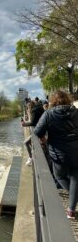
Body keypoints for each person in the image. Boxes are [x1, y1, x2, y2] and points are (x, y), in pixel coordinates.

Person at [34, 90, 78, 219]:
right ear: (67, 99)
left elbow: (37, 132)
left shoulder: (48, 114)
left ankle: (73, 196)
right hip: (76, 151)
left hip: (58, 153)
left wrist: (46, 143)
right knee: (75, 176)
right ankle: (71, 210)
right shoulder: (76, 112)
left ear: (52, 101)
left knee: (59, 176)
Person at [22, 100, 44, 165]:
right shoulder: (39, 109)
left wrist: (24, 124)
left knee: (26, 142)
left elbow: (32, 122)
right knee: (31, 143)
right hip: (41, 129)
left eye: (28, 107)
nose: (27, 108)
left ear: (30, 105)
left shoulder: (34, 110)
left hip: (38, 130)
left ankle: (31, 158)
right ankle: (32, 155)